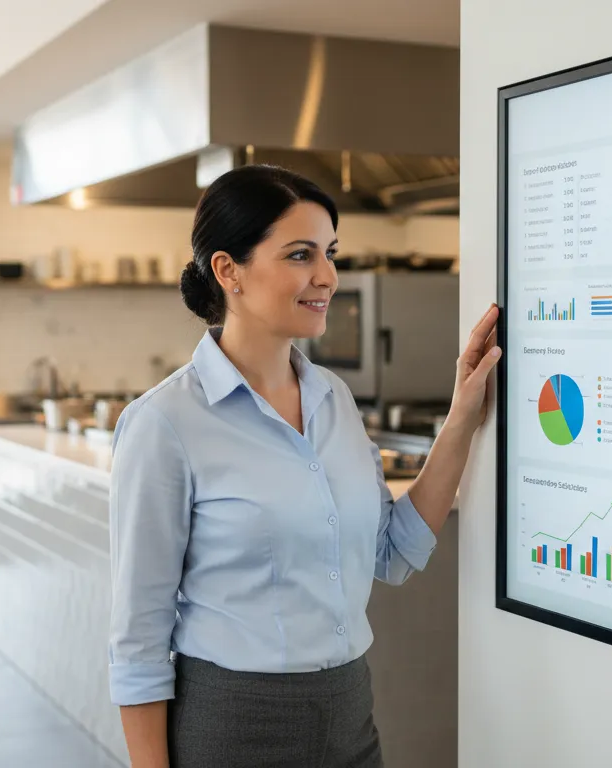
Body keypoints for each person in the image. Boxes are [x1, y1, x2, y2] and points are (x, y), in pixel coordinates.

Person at [108, 164, 500, 768]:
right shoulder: (164, 424)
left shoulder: (334, 400)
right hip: (234, 726)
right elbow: (138, 641)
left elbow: (392, 552)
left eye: (329, 253)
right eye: (299, 254)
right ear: (227, 269)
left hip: (349, 715)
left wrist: (463, 413)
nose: (327, 276)